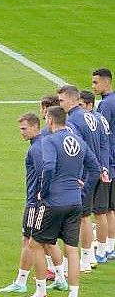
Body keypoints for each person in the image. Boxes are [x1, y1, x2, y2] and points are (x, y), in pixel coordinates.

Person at [29, 106, 102, 297]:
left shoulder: (49, 140)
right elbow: (95, 170)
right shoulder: (79, 141)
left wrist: (43, 192)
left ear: (50, 120)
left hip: (52, 202)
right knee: (71, 249)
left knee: (35, 243)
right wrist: (83, 192)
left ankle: (41, 291)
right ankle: (73, 294)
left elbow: (49, 167)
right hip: (75, 202)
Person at [0, 113, 67, 294]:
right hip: (49, 202)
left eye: (24, 128)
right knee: (48, 243)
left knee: (29, 241)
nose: (21, 132)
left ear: (35, 127)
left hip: (35, 203)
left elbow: (43, 173)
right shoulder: (46, 142)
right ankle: (61, 279)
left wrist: (40, 196)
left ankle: (22, 282)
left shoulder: (36, 148)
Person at [57, 85, 109, 272]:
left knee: (82, 217)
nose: (60, 104)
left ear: (73, 100)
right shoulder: (92, 116)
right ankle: (90, 257)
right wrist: (103, 166)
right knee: (88, 215)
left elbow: (77, 150)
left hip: (84, 175)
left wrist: (75, 176)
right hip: (96, 171)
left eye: (62, 100)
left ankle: (85, 260)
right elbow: (104, 142)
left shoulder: (73, 121)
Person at [79, 90, 112, 264]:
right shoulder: (101, 119)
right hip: (104, 168)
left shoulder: (88, 121)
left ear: (89, 105)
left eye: (81, 105)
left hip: (93, 171)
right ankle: (106, 247)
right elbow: (105, 144)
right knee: (104, 211)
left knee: (96, 212)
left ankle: (97, 251)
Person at [92, 68, 115, 259]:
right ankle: (110, 246)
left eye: (96, 83)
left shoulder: (105, 106)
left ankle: (105, 248)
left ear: (106, 82)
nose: (93, 86)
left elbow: (103, 135)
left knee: (104, 208)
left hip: (110, 161)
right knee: (111, 208)